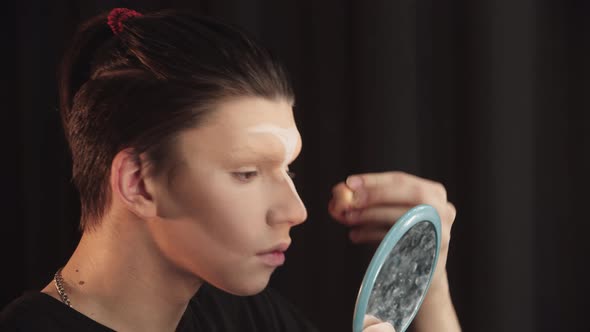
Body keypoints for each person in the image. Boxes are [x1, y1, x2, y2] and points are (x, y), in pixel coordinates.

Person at [0, 8, 461, 332]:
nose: (295, 211)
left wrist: (428, 274)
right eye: (247, 173)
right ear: (139, 184)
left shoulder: (246, 316)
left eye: (288, 170)